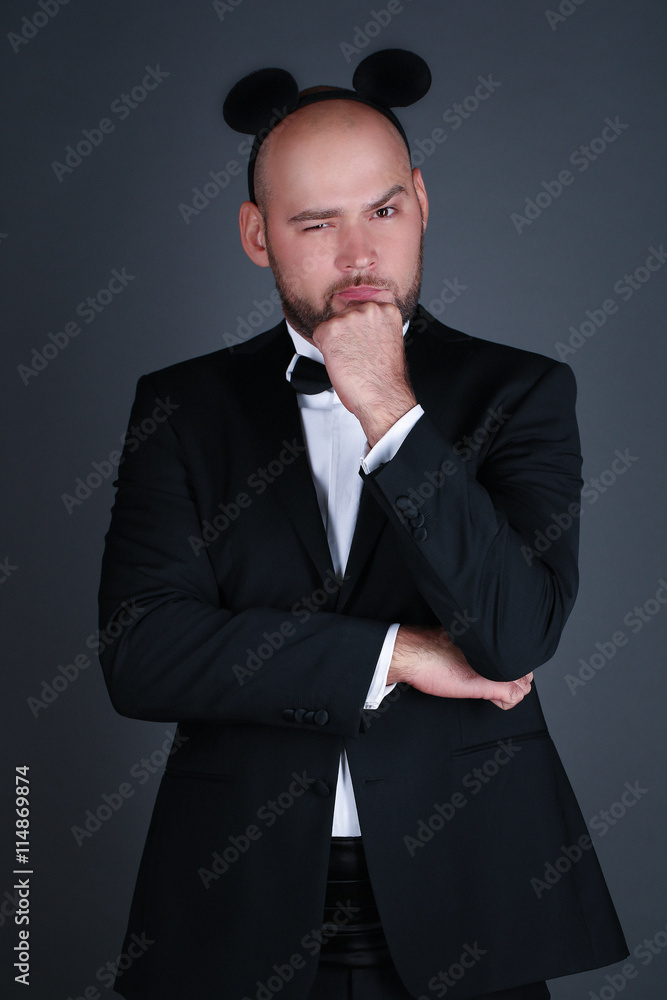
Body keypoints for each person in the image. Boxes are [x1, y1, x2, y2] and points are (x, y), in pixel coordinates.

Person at [98, 49, 628, 1000]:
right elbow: (142, 655)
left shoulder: (523, 392)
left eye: (383, 211)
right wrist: (394, 654)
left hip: (472, 899)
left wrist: (388, 409)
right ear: (257, 235)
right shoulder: (181, 408)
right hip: (236, 906)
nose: (359, 257)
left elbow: (512, 636)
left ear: (419, 200)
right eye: (316, 223)